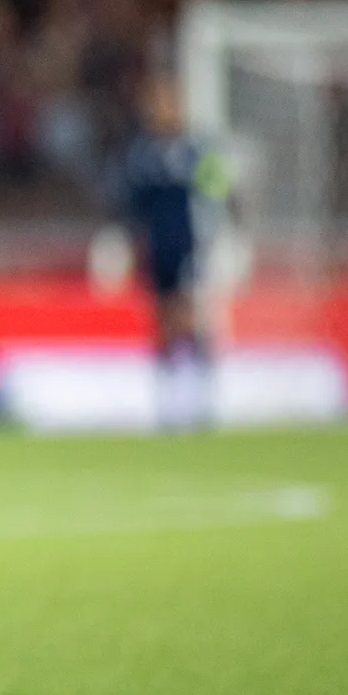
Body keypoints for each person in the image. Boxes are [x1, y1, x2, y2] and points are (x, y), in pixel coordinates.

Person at [119, 76, 226, 431]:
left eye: (171, 104)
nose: (165, 112)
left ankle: (201, 398)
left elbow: (218, 195)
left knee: (188, 316)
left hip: (190, 245)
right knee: (162, 321)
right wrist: (130, 246)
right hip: (157, 249)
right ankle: (167, 403)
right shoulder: (142, 154)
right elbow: (131, 208)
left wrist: (218, 238)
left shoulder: (197, 152)